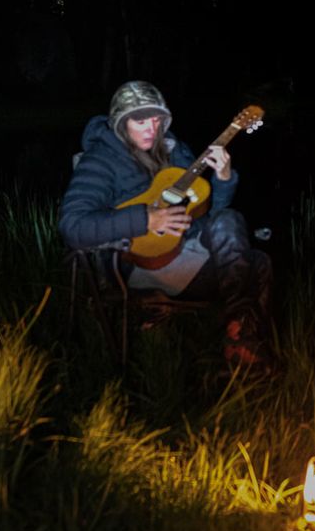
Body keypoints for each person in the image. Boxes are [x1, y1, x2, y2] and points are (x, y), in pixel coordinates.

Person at [60, 80, 274, 372]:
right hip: (136, 268)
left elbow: (211, 215)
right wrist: (145, 218)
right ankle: (237, 342)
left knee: (250, 250)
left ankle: (238, 335)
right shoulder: (101, 162)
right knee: (250, 268)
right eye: (140, 120)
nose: (151, 128)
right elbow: (73, 226)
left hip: (185, 256)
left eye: (157, 119)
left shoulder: (177, 152)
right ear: (122, 123)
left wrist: (223, 179)